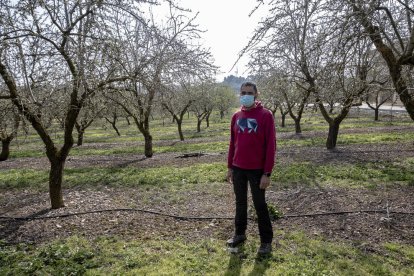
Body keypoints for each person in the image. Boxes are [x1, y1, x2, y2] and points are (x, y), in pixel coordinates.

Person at [226, 81, 276, 255]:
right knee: (240, 203)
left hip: (257, 170)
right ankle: (240, 234)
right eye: (243, 92)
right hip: (238, 168)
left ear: (256, 94)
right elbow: (233, 143)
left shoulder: (265, 115)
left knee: (260, 204)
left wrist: (267, 173)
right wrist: (230, 167)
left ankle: (266, 241)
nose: (246, 95)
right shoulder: (236, 116)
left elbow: (271, 146)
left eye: (249, 92)